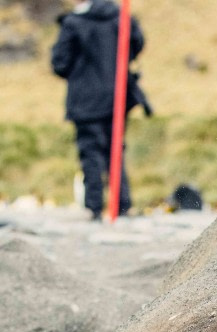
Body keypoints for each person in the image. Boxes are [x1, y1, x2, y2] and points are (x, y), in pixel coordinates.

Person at [51, 0, 147, 220]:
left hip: (85, 99)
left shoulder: (74, 23)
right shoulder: (120, 17)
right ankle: (123, 205)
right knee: (115, 148)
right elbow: (136, 45)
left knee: (91, 151)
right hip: (118, 94)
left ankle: (94, 207)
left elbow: (59, 63)